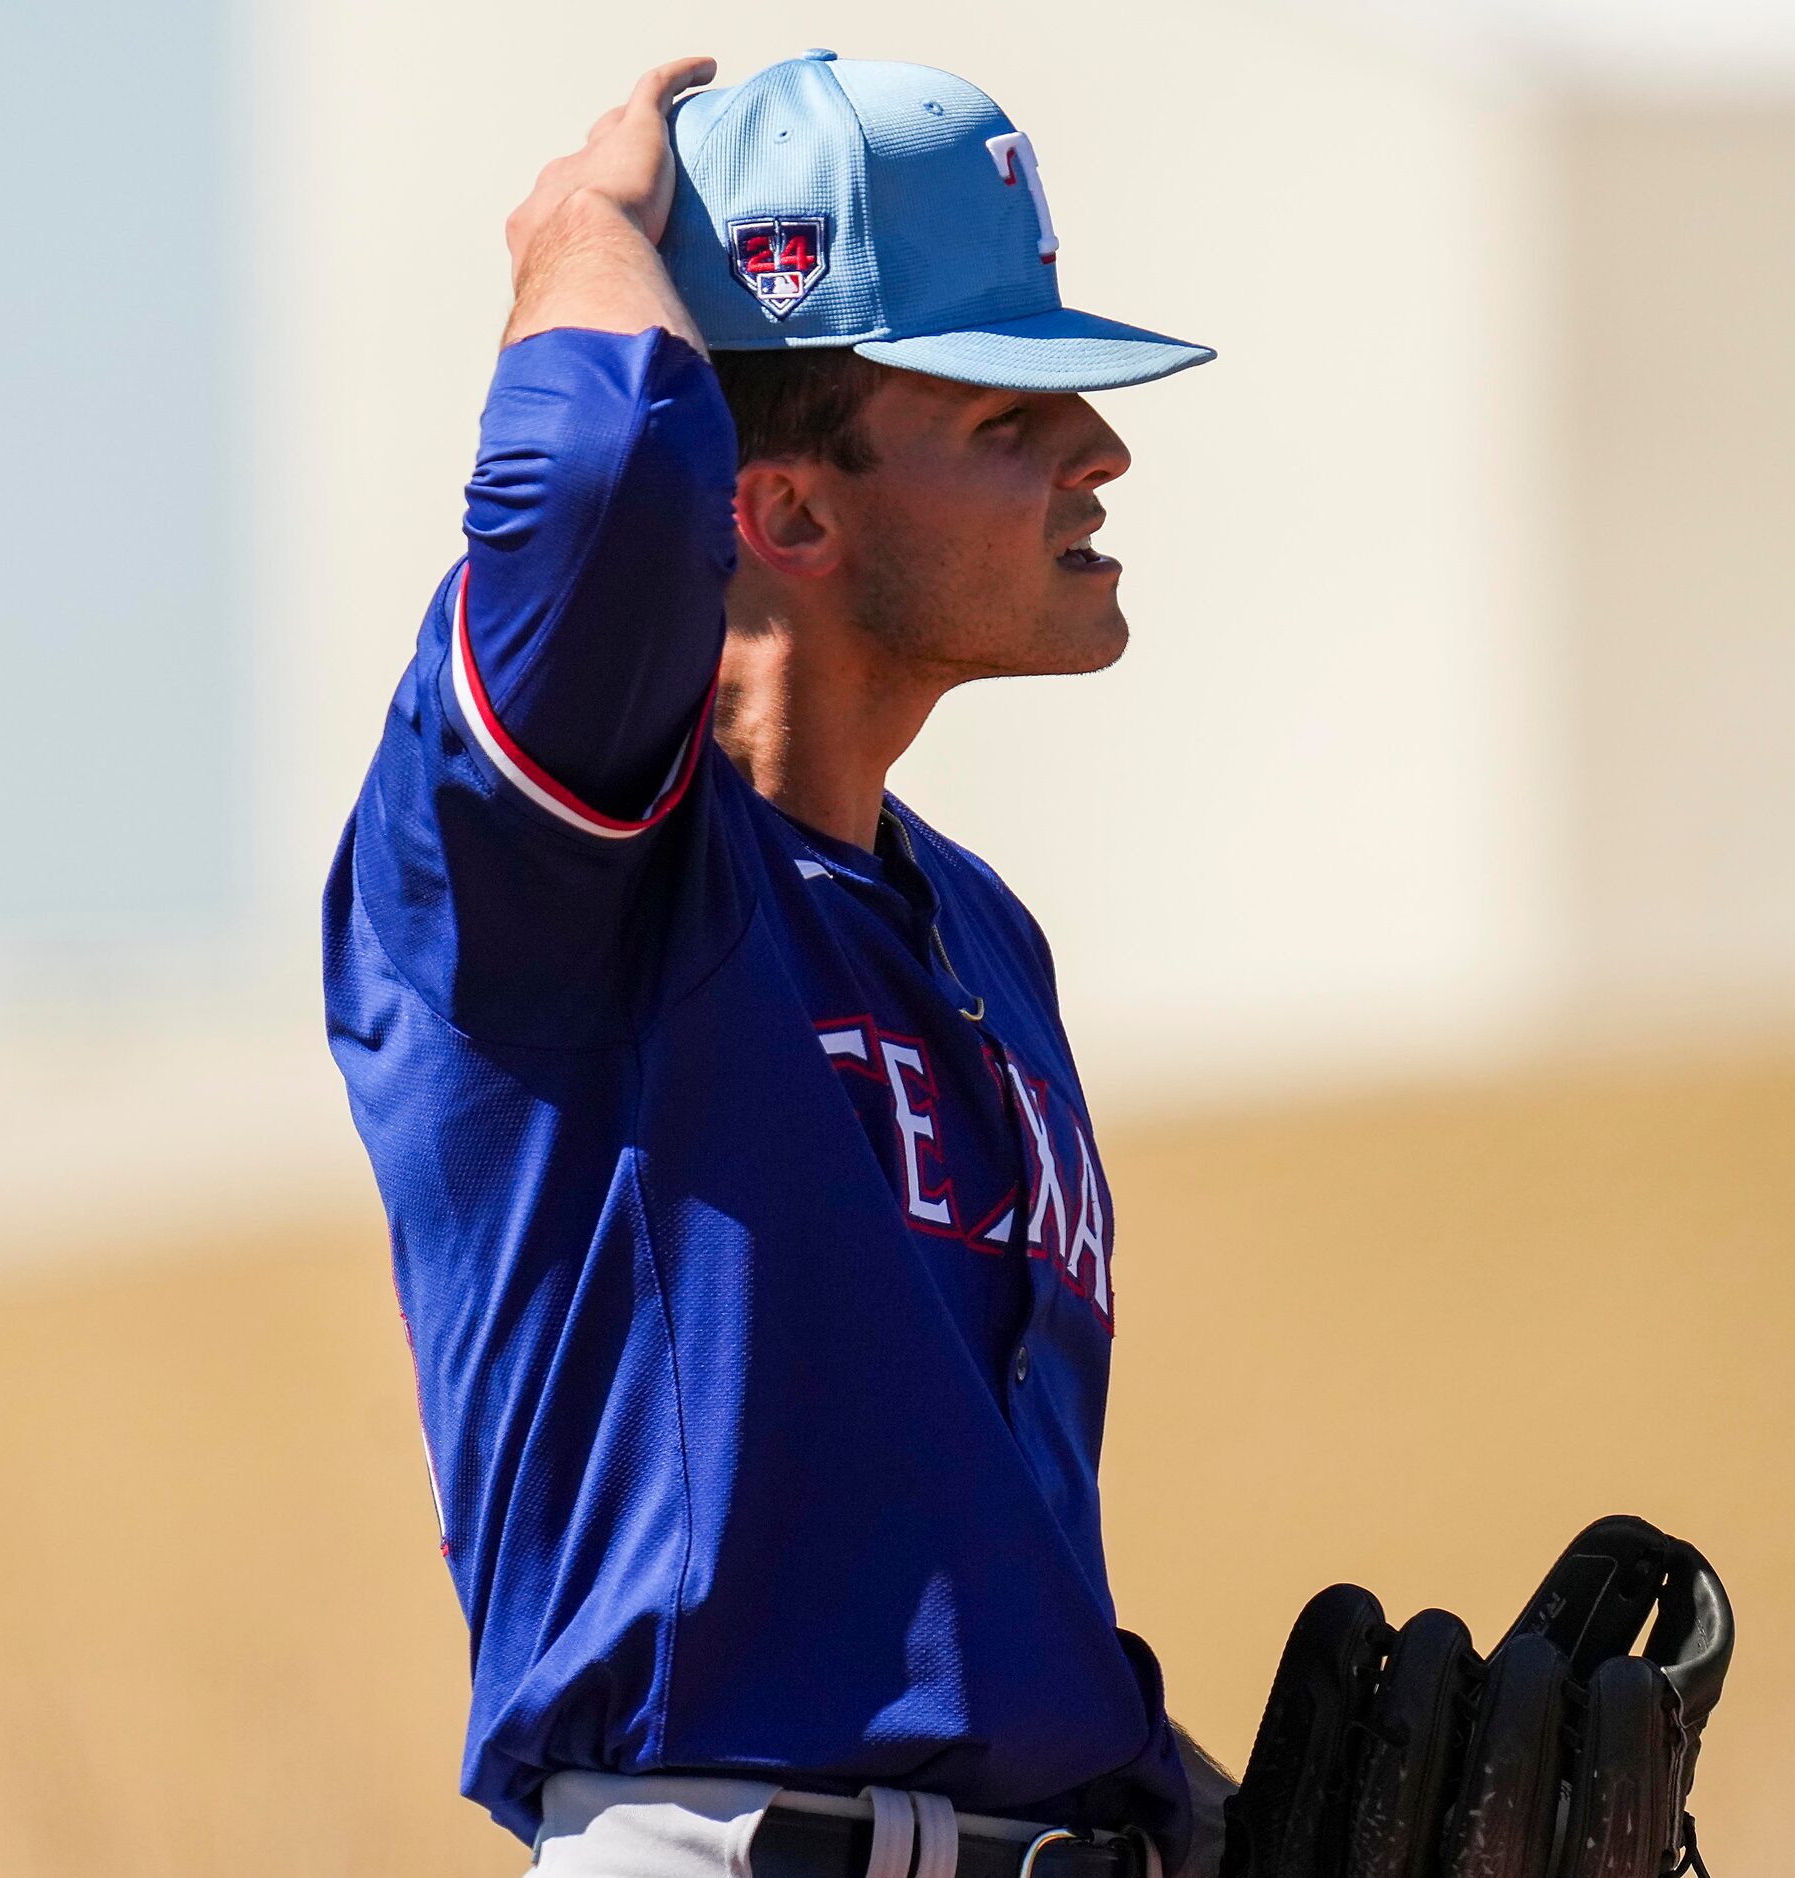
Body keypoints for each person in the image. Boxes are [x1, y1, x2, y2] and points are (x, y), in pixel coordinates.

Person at [323, 49, 1232, 1878]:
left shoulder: (976, 931)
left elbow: (967, 1549)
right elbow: (591, 486)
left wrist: (1196, 1802)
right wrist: (583, 236)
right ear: (787, 510)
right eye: (1001, 416)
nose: (1100, 448)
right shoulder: (559, 873)